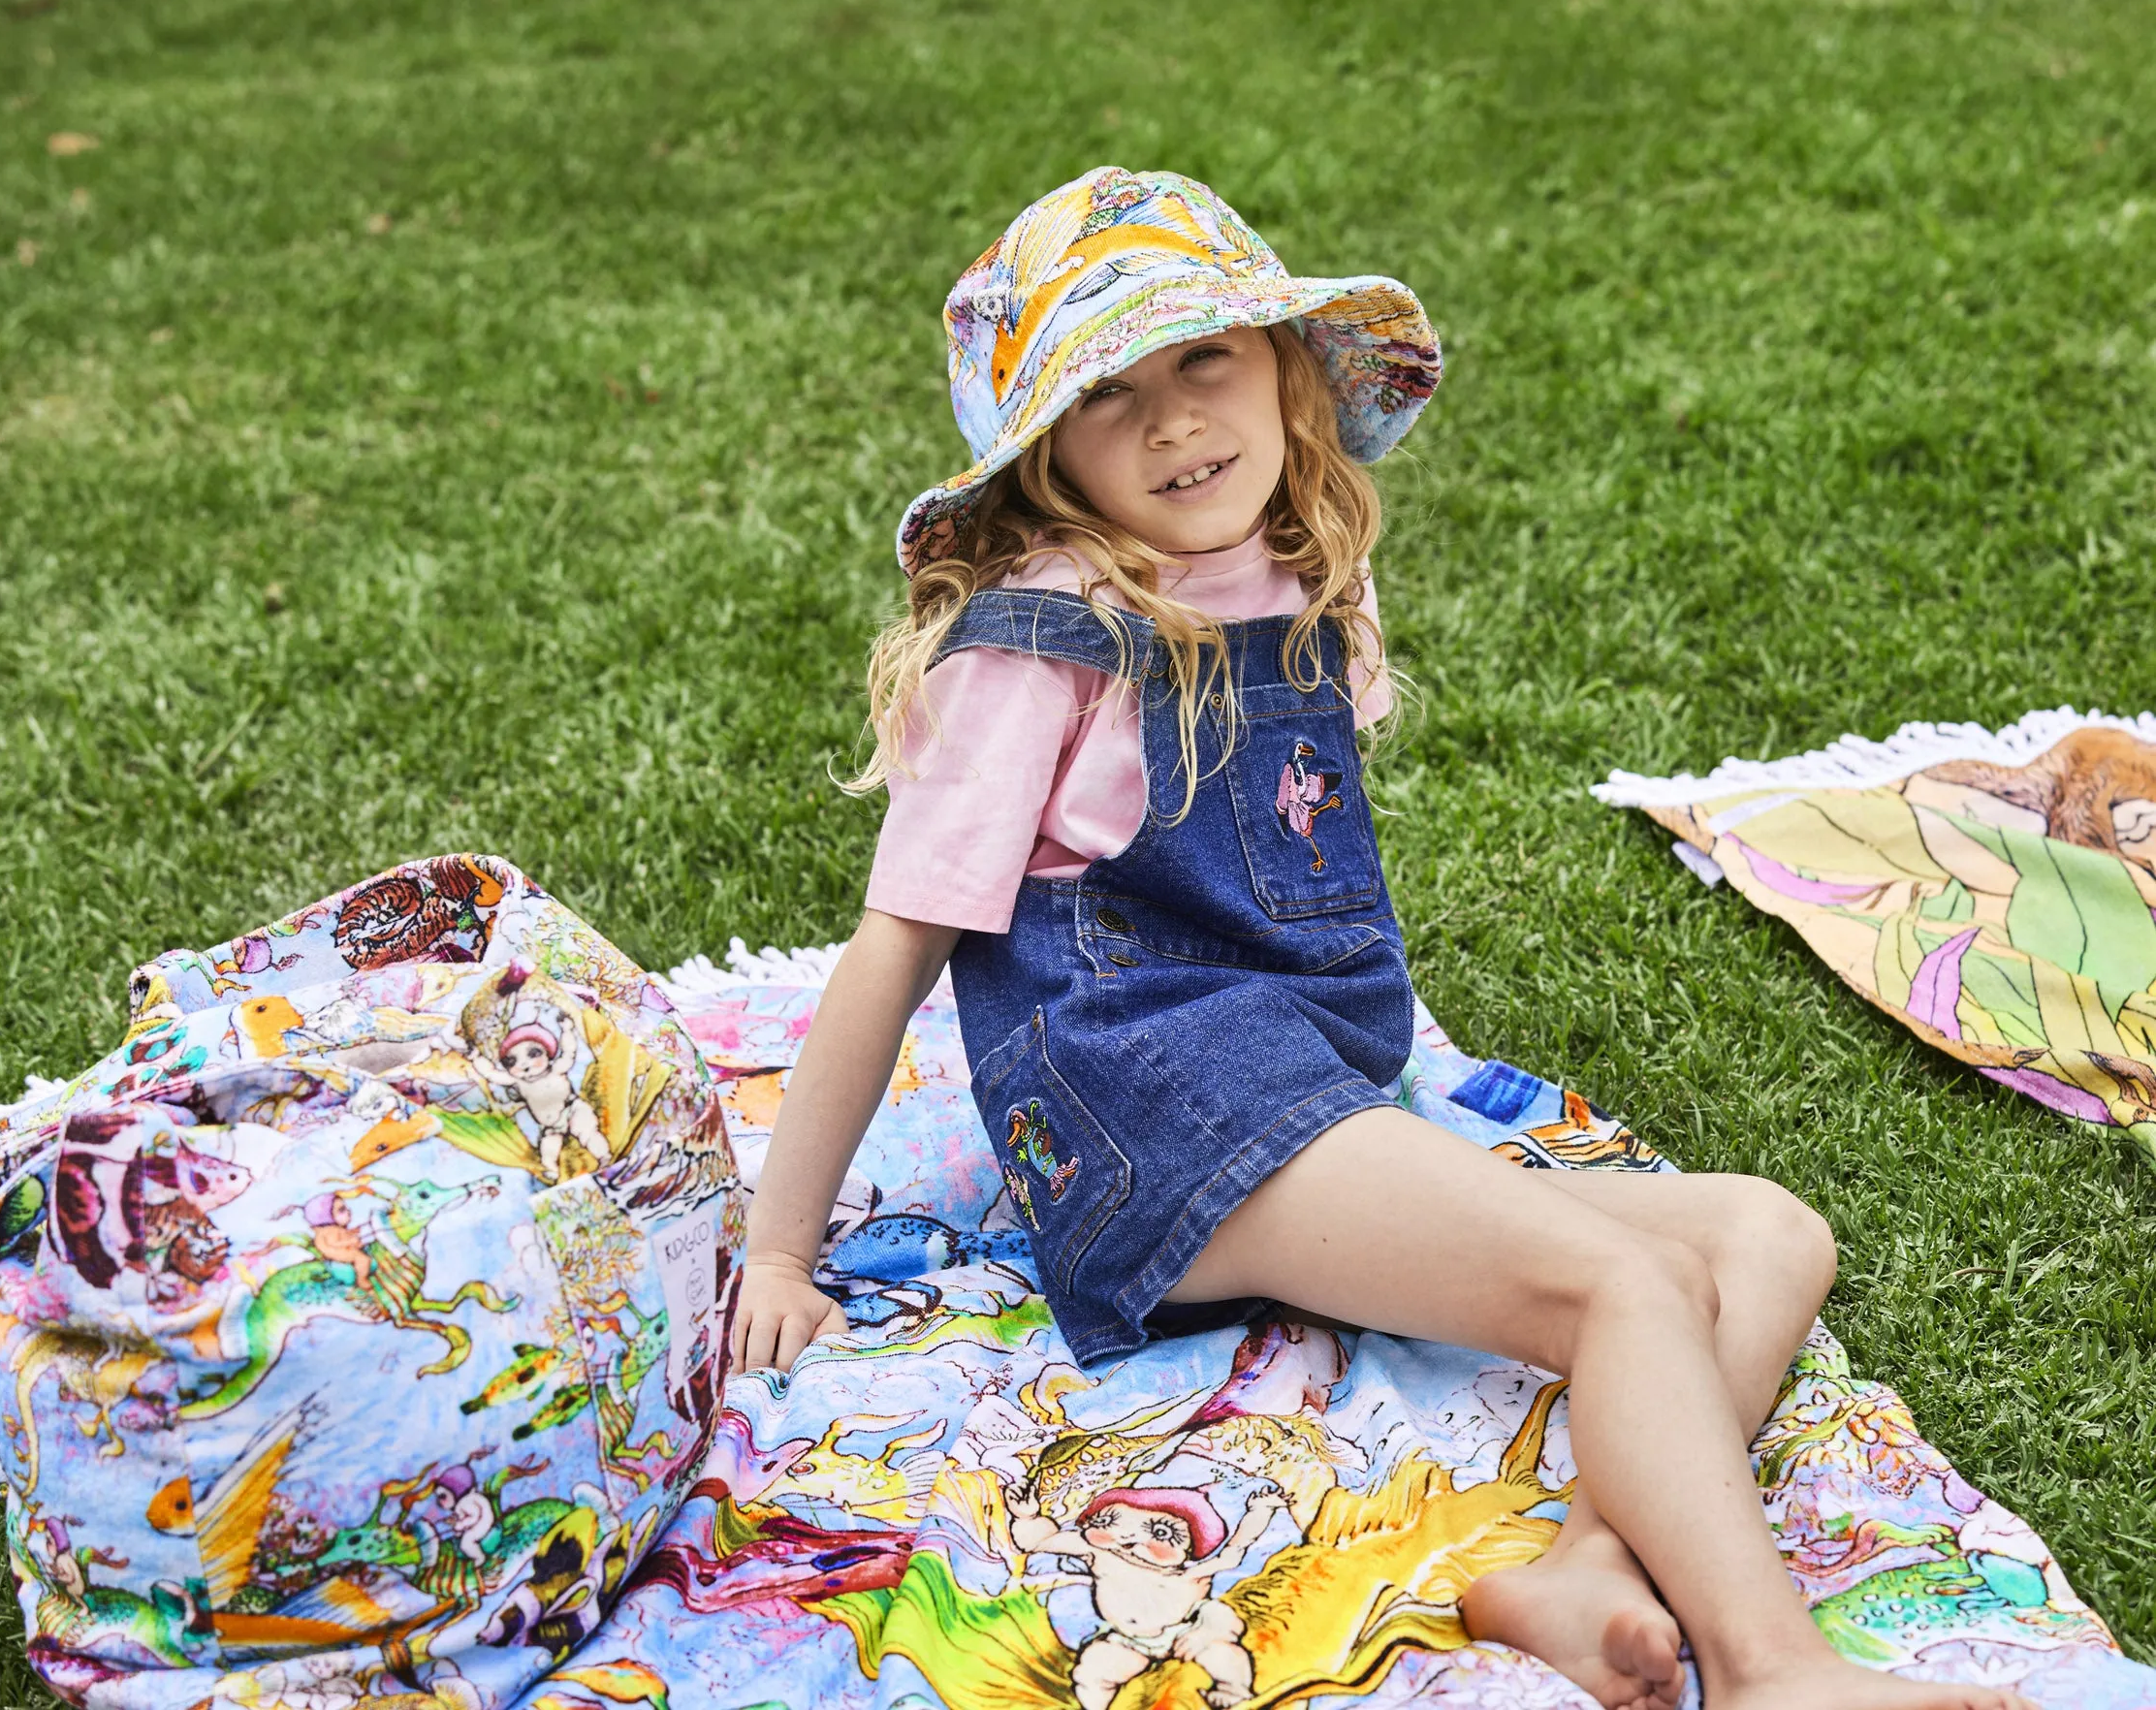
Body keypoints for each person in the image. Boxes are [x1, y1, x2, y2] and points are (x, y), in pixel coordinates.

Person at [726, 167, 2033, 1710]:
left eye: (1202, 360)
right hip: (1148, 1107)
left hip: (1303, 1079)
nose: (1171, 423)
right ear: (1048, 461)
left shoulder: (1294, 585)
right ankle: (1772, 1669)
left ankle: (1587, 1573)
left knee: (1765, 1237)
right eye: (1108, 395)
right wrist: (779, 1247)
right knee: (1615, 1288)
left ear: (1284, 371)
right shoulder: (1047, 643)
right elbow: (895, 946)